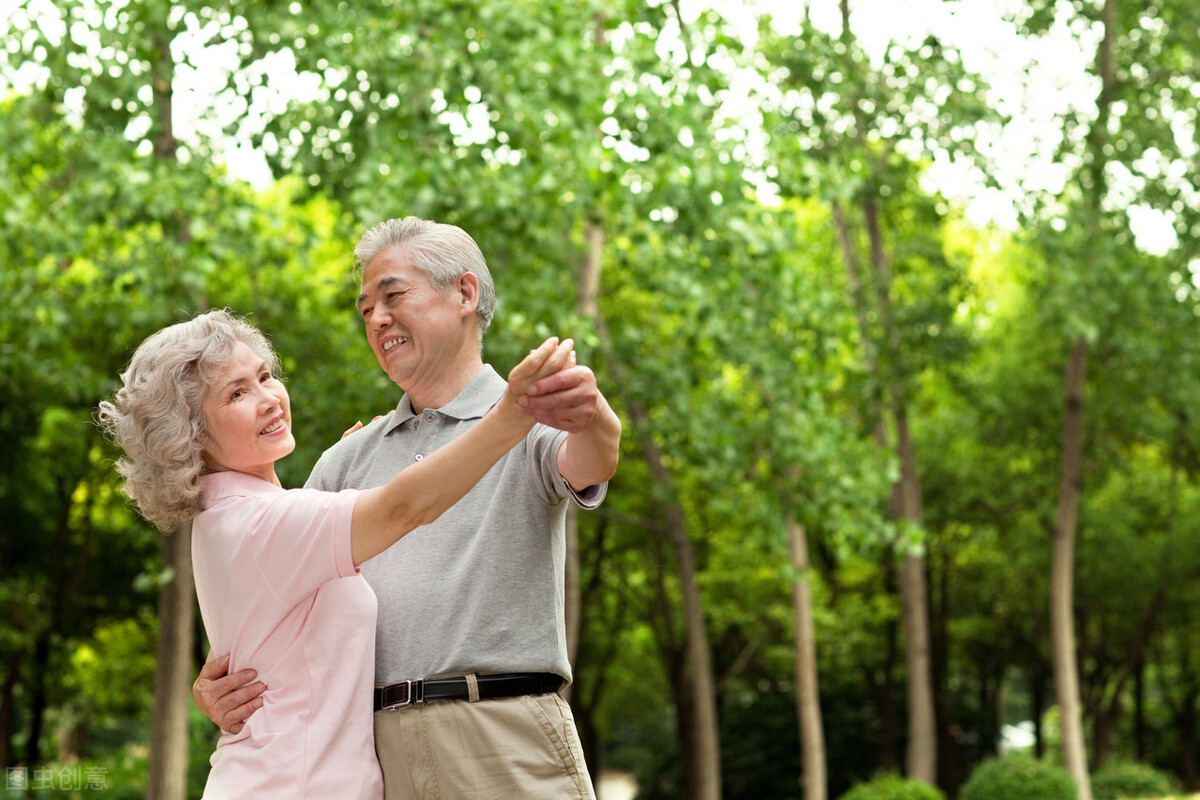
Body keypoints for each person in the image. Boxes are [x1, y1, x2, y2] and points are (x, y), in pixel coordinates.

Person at [195, 217, 622, 799]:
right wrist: (217, 684)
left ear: (465, 294)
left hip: (500, 736)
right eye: (365, 307)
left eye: (393, 295)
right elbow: (281, 607)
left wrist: (595, 416)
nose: (376, 319)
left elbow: (591, 460)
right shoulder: (344, 461)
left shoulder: (526, 415)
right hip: (372, 757)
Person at [97, 308, 575, 799]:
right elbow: (404, 508)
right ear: (191, 435)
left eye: (264, 377)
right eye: (237, 394)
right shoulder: (260, 525)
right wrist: (511, 417)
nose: (267, 399)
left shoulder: (239, 518)